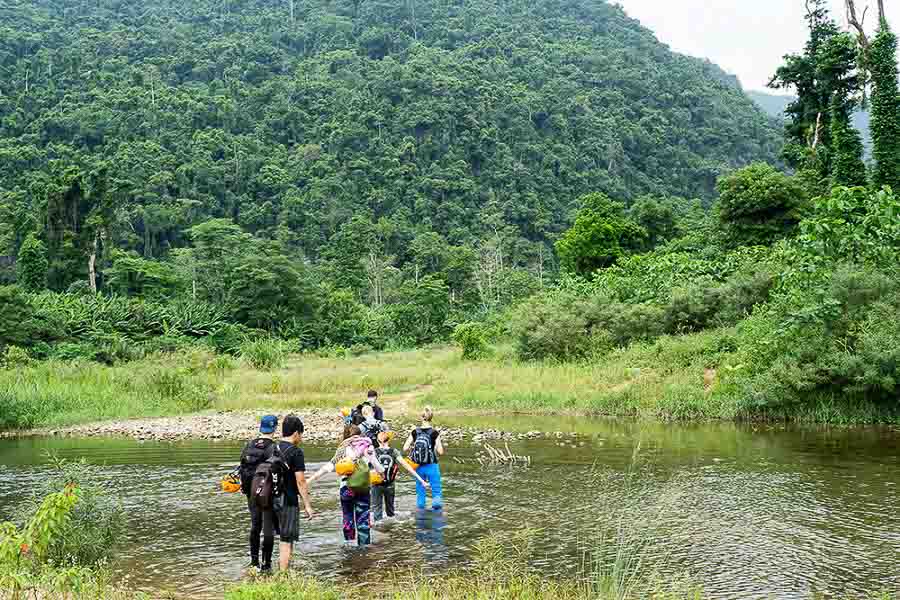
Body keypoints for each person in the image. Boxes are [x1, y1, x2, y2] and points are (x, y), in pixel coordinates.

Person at [307, 425, 385, 546]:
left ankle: (349, 545)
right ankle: (364, 549)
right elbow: (378, 467)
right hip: (363, 489)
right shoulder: (367, 448)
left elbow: (328, 467)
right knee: (363, 519)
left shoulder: (342, 450)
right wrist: (382, 474)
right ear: (360, 434)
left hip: (346, 489)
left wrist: (310, 479)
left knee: (347, 516)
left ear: (345, 436)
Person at [274, 414, 315, 571]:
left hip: (270, 500)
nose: (301, 438)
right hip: (288, 501)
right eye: (301, 435)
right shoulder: (295, 452)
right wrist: (308, 505)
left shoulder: (273, 448)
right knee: (286, 539)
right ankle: (283, 575)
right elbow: (301, 481)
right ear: (296, 433)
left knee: (277, 538)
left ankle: (270, 569)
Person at [239, 415, 278, 572]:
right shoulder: (274, 447)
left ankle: (254, 563)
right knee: (268, 528)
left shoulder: (249, 445)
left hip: (251, 494)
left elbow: (242, 468)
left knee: (255, 526)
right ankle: (266, 564)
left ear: (261, 428)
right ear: (274, 428)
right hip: (267, 494)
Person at [373, 431, 429, 522]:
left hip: (376, 485)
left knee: (376, 510)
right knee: (390, 512)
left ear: (377, 441)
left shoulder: (373, 452)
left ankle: (378, 529)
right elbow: (407, 466)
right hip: (390, 485)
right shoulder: (394, 452)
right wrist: (421, 480)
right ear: (389, 440)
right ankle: (391, 531)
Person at [404, 406, 444, 511]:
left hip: (418, 467)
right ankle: (437, 518)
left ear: (421, 418)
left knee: (420, 492)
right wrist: (433, 447)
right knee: (436, 491)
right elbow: (440, 452)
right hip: (432, 465)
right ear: (431, 418)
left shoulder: (415, 432)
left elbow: (405, 448)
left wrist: (414, 451)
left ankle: (421, 519)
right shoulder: (435, 433)